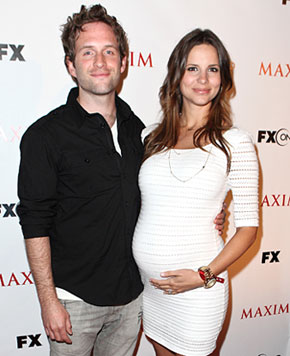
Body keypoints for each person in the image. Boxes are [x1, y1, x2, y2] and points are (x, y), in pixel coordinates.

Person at [17, 5, 225, 355]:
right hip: (73, 302)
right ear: (71, 65)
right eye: (88, 52)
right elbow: (35, 222)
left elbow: (162, 194)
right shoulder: (45, 136)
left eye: (109, 51)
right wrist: (48, 301)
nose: (100, 61)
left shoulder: (140, 132)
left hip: (133, 298)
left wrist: (208, 217)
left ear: (124, 62)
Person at [132, 28, 259, 356]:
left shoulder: (235, 143)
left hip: (200, 290)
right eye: (193, 68)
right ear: (177, 75)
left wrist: (203, 275)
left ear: (223, 78)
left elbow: (248, 230)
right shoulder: (151, 137)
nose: (203, 79)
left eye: (212, 69)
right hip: (153, 290)